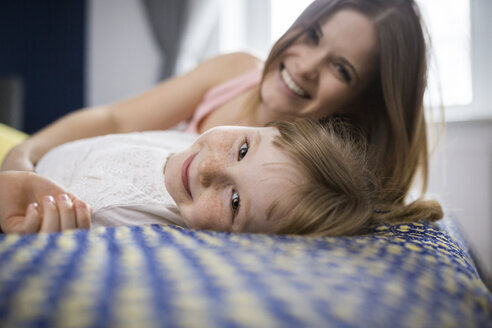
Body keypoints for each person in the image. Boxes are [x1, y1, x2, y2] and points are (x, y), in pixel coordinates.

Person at [1, 0, 435, 207]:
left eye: (341, 70)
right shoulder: (234, 71)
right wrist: (25, 153)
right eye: (312, 37)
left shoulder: (307, 180)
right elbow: (114, 116)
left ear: (361, 103)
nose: (305, 67)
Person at [0, 119, 442, 236]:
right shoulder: (188, 142)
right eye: (243, 149)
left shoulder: (127, 219)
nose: (210, 170)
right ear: (268, 126)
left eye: (235, 203)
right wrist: (21, 157)